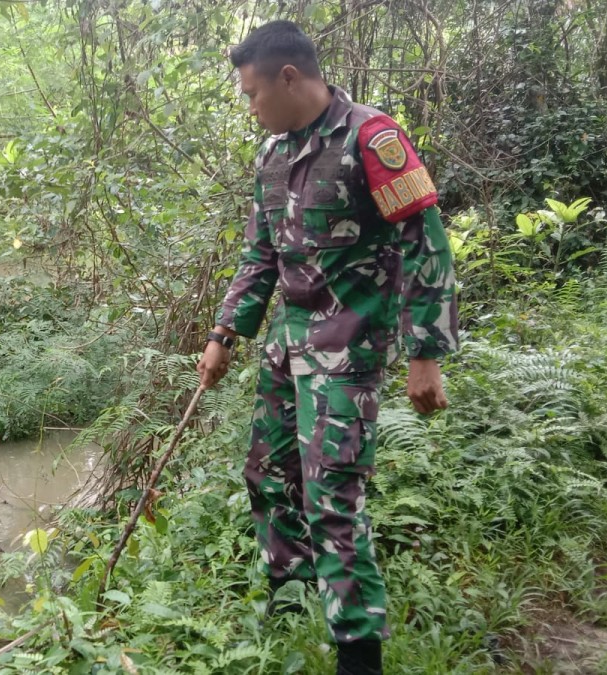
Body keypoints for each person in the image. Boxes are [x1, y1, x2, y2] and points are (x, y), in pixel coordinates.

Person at [196, 20, 459, 675]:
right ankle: (288, 607)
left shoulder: (372, 138)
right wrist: (223, 333)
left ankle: (357, 654)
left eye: (253, 93)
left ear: (290, 77)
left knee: (333, 500)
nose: (249, 106)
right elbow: (262, 255)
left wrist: (424, 352)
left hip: (348, 352)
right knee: (266, 475)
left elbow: (426, 243)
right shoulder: (273, 155)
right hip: (287, 349)